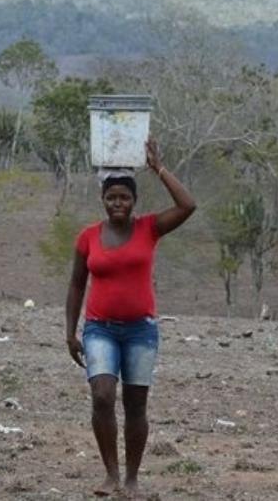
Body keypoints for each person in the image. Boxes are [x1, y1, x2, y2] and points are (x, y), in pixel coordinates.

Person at [65, 137, 196, 498]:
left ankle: (132, 479)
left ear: (134, 201)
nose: (118, 203)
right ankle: (111, 474)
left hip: (141, 331)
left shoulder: (149, 228)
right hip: (99, 330)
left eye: (124, 197)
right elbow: (76, 285)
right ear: (103, 200)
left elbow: (188, 205)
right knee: (102, 395)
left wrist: (158, 168)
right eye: (111, 197)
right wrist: (70, 332)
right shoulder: (88, 237)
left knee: (136, 405)